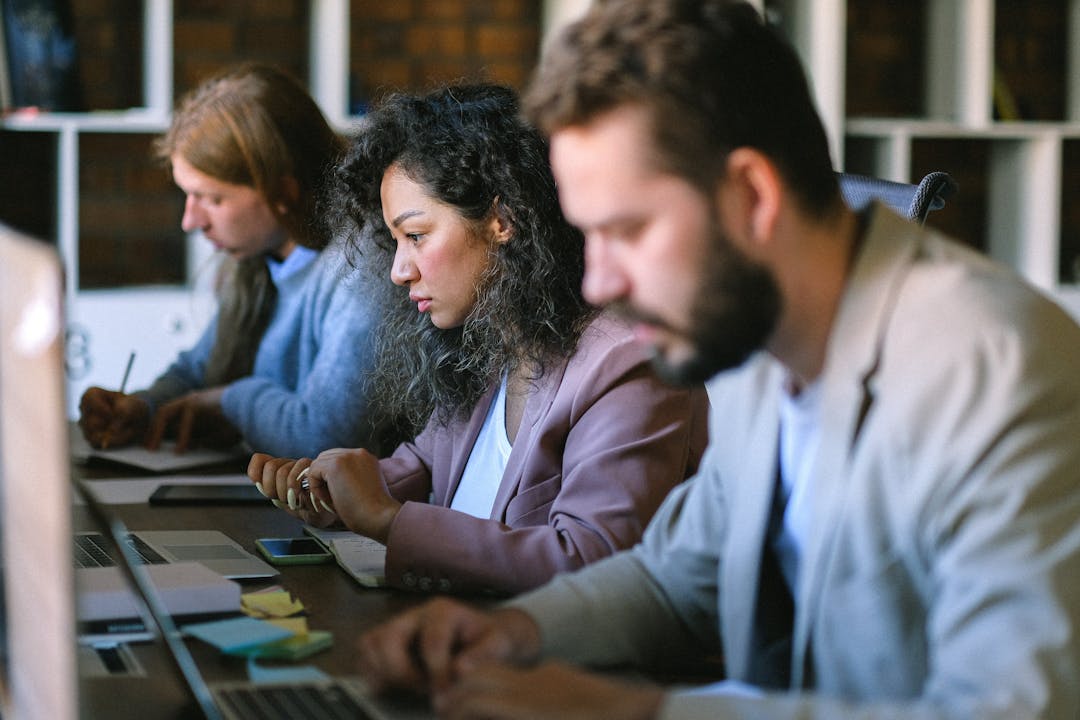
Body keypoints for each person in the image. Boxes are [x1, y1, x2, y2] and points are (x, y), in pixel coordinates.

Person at [352, 2, 1080, 718]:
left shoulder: (998, 372)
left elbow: (1010, 708)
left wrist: (635, 712)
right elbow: (675, 577)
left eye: (626, 230)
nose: (599, 282)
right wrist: (512, 632)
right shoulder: (762, 346)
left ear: (752, 196)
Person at [248, 83, 709, 596]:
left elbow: (593, 562)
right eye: (395, 241)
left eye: (417, 235)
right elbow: (424, 466)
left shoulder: (629, 363)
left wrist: (386, 520)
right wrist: (332, 489)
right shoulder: (495, 340)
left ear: (502, 219)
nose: (400, 271)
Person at [77, 63, 385, 459]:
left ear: (283, 191)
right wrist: (142, 408)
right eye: (188, 196)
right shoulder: (260, 257)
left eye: (213, 199)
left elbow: (325, 439)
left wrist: (230, 402)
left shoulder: (361, 265)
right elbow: (198, 371)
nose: (191, 221)